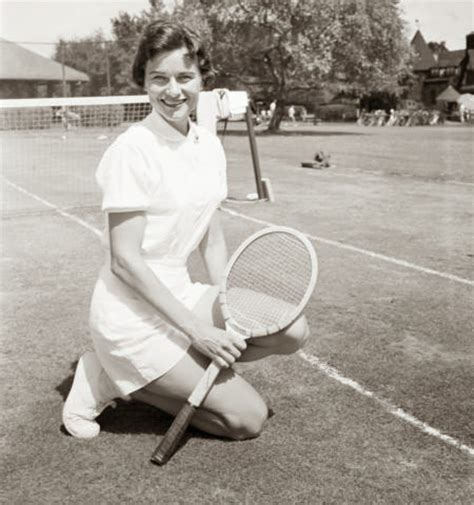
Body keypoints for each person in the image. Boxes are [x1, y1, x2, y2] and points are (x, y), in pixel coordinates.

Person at [62, 20, 310, 441]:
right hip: (131, 316)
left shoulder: (208, 145)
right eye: (158, 78)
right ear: (144, 81)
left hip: (183, 293)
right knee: (247, 420)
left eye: (184, 77)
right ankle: (106, 376)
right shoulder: (132, 150)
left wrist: (228, 312)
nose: (172, 90)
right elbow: (125, 261)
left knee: (293, 331)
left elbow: (210, 237)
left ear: (203, 79)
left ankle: (173, 368)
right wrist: (200, 333)